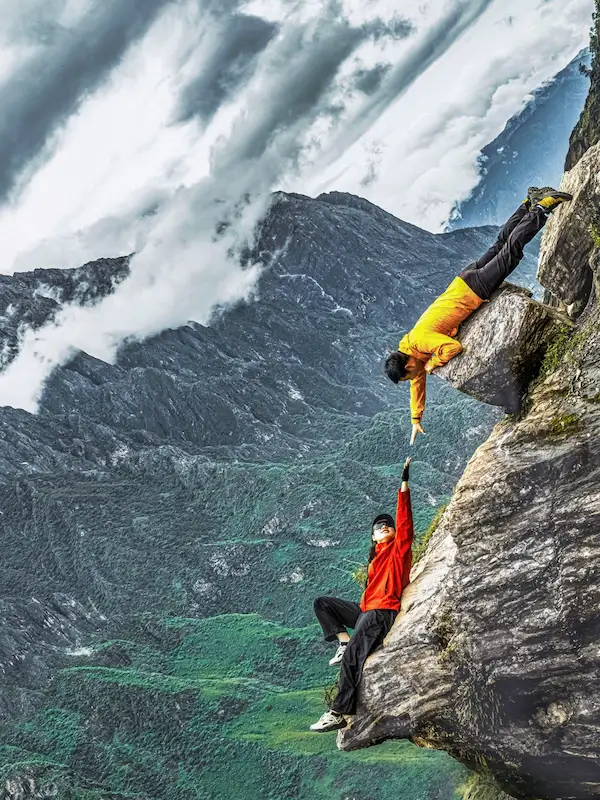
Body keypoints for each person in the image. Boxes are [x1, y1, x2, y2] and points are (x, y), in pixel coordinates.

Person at [384, 187, 573, 445]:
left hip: (472, 290)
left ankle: (542, 208)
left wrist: (432, 364)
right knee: (499, 245)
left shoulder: (421, 343)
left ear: (408, 365)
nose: (416, 377)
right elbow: (417, 383)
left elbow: (452, 347)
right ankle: (527, 203)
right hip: (464, 280)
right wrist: (416, 419)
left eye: (410, 374)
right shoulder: (410, 350)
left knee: (510, 253)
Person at [310, 457, 413, 733]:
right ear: (373, 536)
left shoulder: (397, 552)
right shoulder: (374, 560)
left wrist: (403, 482)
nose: (383, 527)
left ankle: (338, 712)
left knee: (354, 657)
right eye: (378, 527)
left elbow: (404, 522)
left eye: (387, 525)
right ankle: (343, 642)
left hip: (382, 612)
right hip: (367, 610)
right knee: (322, 603)